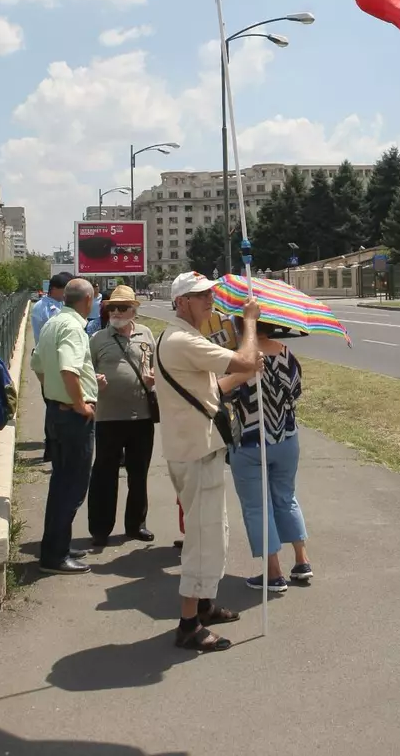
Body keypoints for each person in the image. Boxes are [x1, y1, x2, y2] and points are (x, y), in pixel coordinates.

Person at [154, 271, 263, 653]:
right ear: (182, 301)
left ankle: (203, 606)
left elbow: (212, 387)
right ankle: (188, 625)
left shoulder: (178, 338)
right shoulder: (183, 339)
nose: (209, 301)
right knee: (203, 538)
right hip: (196, 452)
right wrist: (248, 322)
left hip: (193, 448)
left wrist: (246, 368)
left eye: (209, 295)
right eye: (201, 296)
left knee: (213, 531)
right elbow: (245, 357)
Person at [229, 319, 311, 592]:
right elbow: (296, 391)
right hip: (287, 438)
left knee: (257, 507)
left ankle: (273, 572)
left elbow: (226, 392)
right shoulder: (287, 353)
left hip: (251, 442)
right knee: (286, 498)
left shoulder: (240, 358)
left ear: (243, 328)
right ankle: (302, 560)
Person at [32, 278, 101, 575]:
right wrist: (79, 403)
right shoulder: (74, 328)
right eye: (94, 300)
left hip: (56, 413)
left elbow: (39, 367)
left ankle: (57, 546)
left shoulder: (53, 323)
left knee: (61, 483)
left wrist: (59, 394)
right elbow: (67, 369)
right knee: (71, 486)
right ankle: (55, 556)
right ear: (87, 301)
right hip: (73, 419)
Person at [87, 286, 157, 547]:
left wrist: (153, 380)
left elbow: (156, 367)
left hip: (141, 416)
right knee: (104, 474)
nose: (115, 312)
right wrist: (94, 382)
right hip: (108, 417)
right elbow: (85, 373)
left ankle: (136, 524)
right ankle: (100, 528)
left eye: (122, 307)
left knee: (139, 473)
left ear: (134, 310)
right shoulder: (97, 339)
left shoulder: (146, 334)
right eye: (112, 308)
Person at [31, 273, 73, 462]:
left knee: (63, 403)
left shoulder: (63, 305)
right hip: (49, 361)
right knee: (53, 404)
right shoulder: (43, 307)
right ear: (56, 289)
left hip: (63, 360)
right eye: (66, 289)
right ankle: (52, 445)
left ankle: (62, 441)